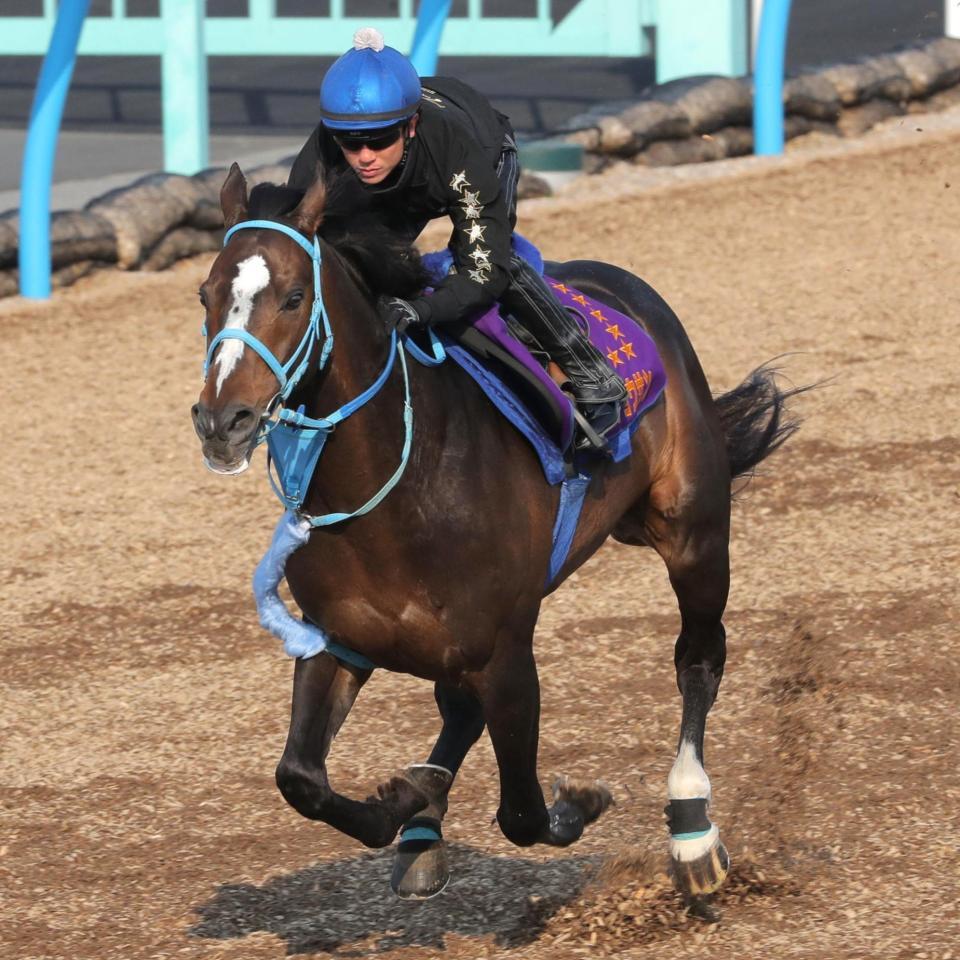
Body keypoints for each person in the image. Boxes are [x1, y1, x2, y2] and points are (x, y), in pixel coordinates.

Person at [287, 27, 626, 448]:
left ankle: (591, 373)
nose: (364, 156)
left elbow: (483, 272)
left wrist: (422, 310)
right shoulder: (320, 160)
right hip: (405, 180)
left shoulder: (458, 154)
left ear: (410, 126)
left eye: (378, 140)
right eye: (350, 143)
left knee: (499, 264)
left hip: (480, 150)